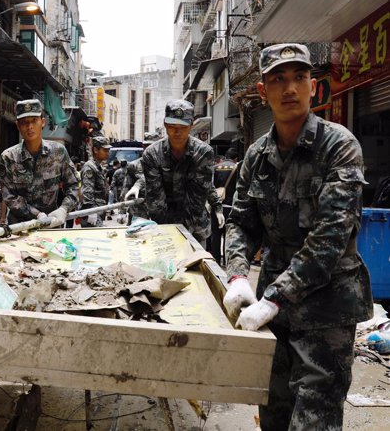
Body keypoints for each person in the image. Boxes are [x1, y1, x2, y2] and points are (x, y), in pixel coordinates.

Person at [222, 43, 372, 430]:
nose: (290, 89)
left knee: (313, 419)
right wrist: (238, 275)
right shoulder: (256, 156)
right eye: (278, 79)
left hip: (328, 308)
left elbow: (329, 241)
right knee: (273, 410)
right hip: (275, 311)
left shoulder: (339, 147)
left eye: (299, 78)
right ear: (262, 91)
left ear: (313, 87)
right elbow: (241, 222)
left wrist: (273, 297)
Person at [138, 99, 215, 247]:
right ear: (165, 124)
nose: (177, 131)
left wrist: (183, 236)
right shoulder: (152, 154)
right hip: (163, 229)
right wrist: (168, 234)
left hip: (195, 230)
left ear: (191, 125)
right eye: (172, 126)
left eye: (183, 126)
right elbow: (156, 202)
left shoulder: (204, 153)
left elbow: (197, 201)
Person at [0, 99, 79, 227]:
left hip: (52, 222)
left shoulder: (58, 152)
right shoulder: (8, 157)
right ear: (18, 126)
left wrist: (63, 209)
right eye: (24, 122)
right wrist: (37, 214)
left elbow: (73, 185)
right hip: (20, 226)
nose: (30, 126)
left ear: (42, 122)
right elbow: (9, 197)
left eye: (34, 121)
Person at [208, 148, 239, 264]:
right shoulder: (237, 167)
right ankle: (227, 260)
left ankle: (216, 259)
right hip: (231, 206)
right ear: (236, 158)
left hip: (217, 206)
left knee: (215, 233)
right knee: (229, 234)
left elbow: (210, 187)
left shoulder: (215, 167)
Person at [80, 136, 112, 227]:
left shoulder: (98, 167)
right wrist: (91, 212)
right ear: (95, 150)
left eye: (108, 150)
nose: (107, 153)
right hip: (92, 213)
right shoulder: (89, 167)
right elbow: (87, 191)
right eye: (105, 150)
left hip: (98, 210)